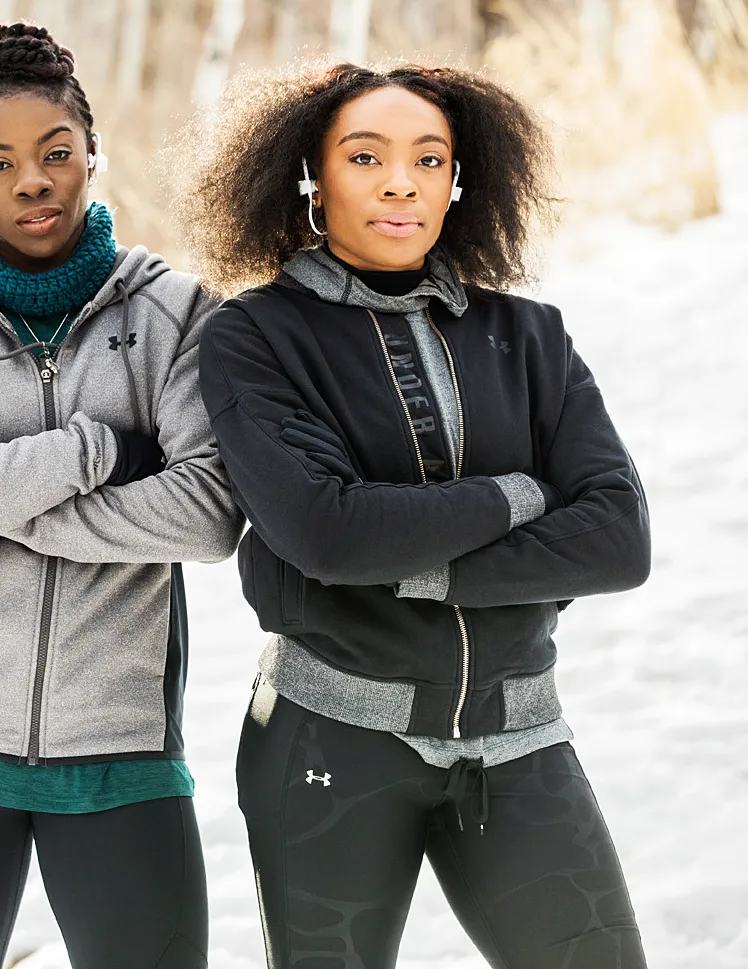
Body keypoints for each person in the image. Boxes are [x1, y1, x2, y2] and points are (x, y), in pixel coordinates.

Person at [185, 64, 652, 969]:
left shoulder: (531, 336)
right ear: (312, 177)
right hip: (332, 745)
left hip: (520, 741)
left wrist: (425, 566)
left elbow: (619, 538)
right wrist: (516, 495)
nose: (402, 181)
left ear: (457, 183)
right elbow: (327, 532)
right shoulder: (257, 337)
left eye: (429, 159)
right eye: (367, 156)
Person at [0, 22, 243, 969]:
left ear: (92, 154)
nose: (33, 180)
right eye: (1, 160)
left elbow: (209, 512)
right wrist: (95, 449)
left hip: (121, 749)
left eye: (57, 153)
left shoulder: (175, 314)